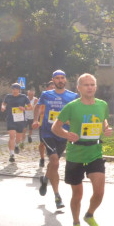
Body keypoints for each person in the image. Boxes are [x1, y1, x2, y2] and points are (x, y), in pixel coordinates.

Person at [52, 73, 112, 226]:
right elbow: (55, 128)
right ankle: (76, 224)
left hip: (95, 152)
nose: (90, 87)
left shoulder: (102, 105)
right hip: (75, 154)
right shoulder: (71, 107)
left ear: (96, 87)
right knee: (77, 194)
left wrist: (106, 128)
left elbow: (103, 122)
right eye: (86, 85)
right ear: (78, 88)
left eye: (92, 84)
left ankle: (90, 215)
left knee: (99, 193)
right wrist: (66, 134)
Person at [33, 70, 78, 211]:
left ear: (65, 80)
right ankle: (57, 196)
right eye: (57, 78)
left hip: (63, 134)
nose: (60, 80)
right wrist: (35, 120)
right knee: (55, 162)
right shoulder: (46, 94)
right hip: (48, 132)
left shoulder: (72, 96)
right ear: (53, 80)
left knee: (53, 164)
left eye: (62, 78)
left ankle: (45, 179)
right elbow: (37, 107)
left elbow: (76, 113)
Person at [1, 83, 29, 162]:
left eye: (16, 89)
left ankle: (16, 145)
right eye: (13, 89)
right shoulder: (8, 96)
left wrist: (24, 108)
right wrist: (3, 107)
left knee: (18, 137)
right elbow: (4, 103)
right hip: (11, 118)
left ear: (19, 90)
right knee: (12, 136)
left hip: (20, 119)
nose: (15, 91)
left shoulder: (23, 97)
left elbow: (30, 107)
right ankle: (11, 154)